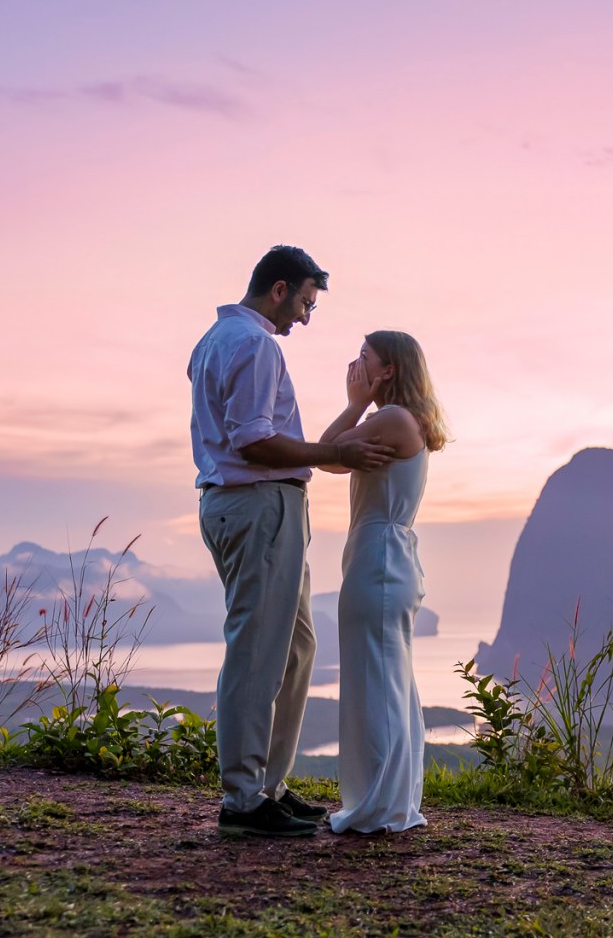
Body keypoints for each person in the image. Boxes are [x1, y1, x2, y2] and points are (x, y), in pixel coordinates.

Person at [189, 245, 390, 838]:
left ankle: (266, 786)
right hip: (258, 505)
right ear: (278, 290)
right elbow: (253, 441)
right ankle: (243, 800)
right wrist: (335, 452)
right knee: (257, 649)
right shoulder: (254, 344)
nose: (305, 316)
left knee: (296, 646)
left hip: (251, 505)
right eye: (305, 301)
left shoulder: (213, 340)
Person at [320, 330, 448, 833]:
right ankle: (387, 799)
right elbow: (331, 458)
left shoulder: (392, 420)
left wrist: (354, 405)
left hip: (379, 558)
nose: (355, 365)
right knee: (386, 679)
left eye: (363, 358)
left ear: (388, 369)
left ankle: (381, 805)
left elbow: (323, 451)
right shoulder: (398, 420)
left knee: (377, 681)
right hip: (382, 555)